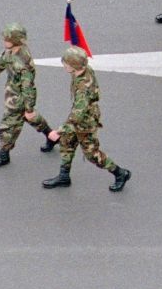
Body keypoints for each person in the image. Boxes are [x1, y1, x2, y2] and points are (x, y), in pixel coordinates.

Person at [41, 46, 132, 191]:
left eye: (67, 63)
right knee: (67, 143)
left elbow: (78, 114)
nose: (64, 65)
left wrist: (58, 131)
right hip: (80, 116)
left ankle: (120, 173)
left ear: (74, 65)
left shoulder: (83, 87)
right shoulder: (83, 69)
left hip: (85, 122)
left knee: (92, 154)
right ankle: (64, 176)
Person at [0, 22, 56, 168]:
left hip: (18, 98)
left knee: (8, 125)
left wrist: (29, 108)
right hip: (12, 92)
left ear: (16, 41)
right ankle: (51, 135)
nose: (4, 41)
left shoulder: (23, 62)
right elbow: (0, 63)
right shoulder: (10, 52)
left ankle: (4, 154)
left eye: (7, 39)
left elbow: (29, 88)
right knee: (29, 117)